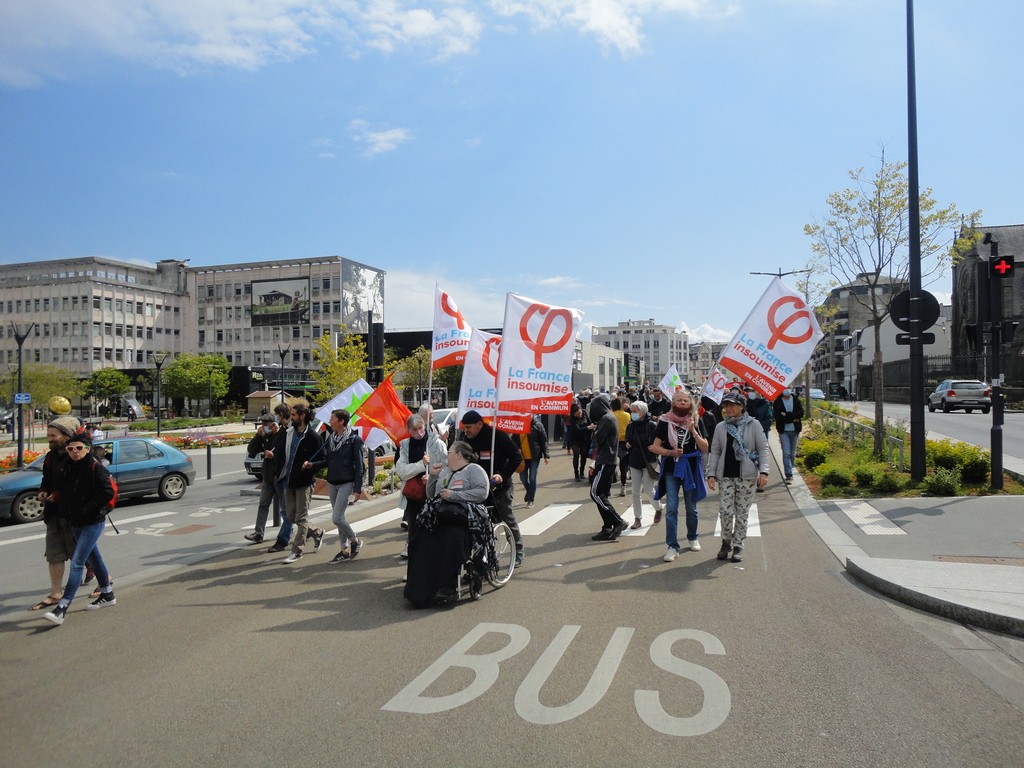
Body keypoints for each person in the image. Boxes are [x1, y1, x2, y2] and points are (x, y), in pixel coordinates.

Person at [41, 429, 116, 626]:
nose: (74, 451)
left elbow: (106, 492)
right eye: (71, 448)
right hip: (75, 522)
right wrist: (58, 500)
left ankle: (62, 607)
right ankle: (108, 594)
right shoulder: (70, 467)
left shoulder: (95, 467)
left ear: (87, 449)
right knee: (95, 558)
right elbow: (66, 491)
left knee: (77, 563)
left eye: (78, 448)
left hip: (92, 522)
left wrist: (86, 510)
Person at [404, 441, 491, 608]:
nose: (447, 455)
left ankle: (448, 586)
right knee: (419, 537)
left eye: (449, 452)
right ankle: (419, 586)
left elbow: (482, 493)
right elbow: (432, 496)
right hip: (441, 517)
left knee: (451, 537)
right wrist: (434, 477)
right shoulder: (445, 472)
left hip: (463, 519)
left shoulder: (474, 470)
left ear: (459, 454)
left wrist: (454, 495)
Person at [706, 391, 770, 563]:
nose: (729, 408)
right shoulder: (721, 427)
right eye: (726, 405)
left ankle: (738, 545)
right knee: (725, 511)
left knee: (742, 513)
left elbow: (763, 449)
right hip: (726, 475)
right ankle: (726, 542)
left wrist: (764, 471)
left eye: (733, 405)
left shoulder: (753, 425)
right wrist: (711, 473)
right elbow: (716, 451)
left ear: (742, 407)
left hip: (747, 476)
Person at [459, 410, 525, 566]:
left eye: (469, 427)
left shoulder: (497, 436)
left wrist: (502, 475)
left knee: (506, 517)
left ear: (479, 424)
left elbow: (516, 456)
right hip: (476, 489)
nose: (466, 430)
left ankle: (518, 550)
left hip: (499, 487)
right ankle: (484, 555)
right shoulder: (464, 438)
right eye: (464, 427)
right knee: (478, 523)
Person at [651, 389, 709, 561]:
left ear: (691, 403)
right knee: (672, 508)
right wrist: (670, 452)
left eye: (685, 400)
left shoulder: (696, 420)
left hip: (691, 468)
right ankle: (672, 546)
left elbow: (705, 447)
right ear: (673, 403)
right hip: (671, 468)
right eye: (679, 400)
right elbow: (655, 447)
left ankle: (693, 537)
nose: (683, 403)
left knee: (691, 508)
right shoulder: (664, 421)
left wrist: (693, 431)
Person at [30, 416, 81, 611]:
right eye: (48, 435)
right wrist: (43, 490)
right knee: (54, 554)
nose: (50, 438)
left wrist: (59, 495)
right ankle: (55, 593)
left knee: (82, 553)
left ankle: (105, 582)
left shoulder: (77, 455)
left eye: (53, 435)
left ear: (66, 436)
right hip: (53, 514)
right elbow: (47, 478)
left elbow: (79, 485)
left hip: (73, 514)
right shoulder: (51, 457)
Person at [264, 402, 324, 564]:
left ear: (302, 416)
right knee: (291, 516)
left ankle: (297, 551)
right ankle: (317, 532)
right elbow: (280, 452)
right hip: (287, 480)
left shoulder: (313, 437)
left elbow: (324, 460)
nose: (290, 418)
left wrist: (311, 466)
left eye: (293, 415)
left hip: (304, 482)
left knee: (301, 517)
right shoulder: (289, 432)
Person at [305, 409, 365, 562]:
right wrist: (312, 465)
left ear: (341, 422)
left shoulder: (354, 440)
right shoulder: (331, 439)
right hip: (332, 482)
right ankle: (344, 550)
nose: (329, 421)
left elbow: (359, 467)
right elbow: (328, 461)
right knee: (340, 517)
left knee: (337, 518)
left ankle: (355, 541)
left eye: (332, 418)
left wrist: (357, 489)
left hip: (346, 482)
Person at [395, 413, 448, 558]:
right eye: (414, 430)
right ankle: (414, 566)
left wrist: (432, 476)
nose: (419, 433)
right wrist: (421, 465)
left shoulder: (437, 444)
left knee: (433, 529)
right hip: (413, 495)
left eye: (421, 428)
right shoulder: (405, 446)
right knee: (414, 530)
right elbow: (401, 471)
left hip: (433, 494)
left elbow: (448, 467)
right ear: (408, 430)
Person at [587, 394, 628, 541]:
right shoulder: (608, 418)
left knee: (596, 493)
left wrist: (594, 430)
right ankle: (607, 527)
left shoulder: (606, 418)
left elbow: (598, 439)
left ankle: (617, 521)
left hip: (606, 460)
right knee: (601, 494)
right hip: (605, 459)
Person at [624, 400, 663, 529]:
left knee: (648, 489)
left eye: (635, 411)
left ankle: (658, 507)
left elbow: (659, 441)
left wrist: (655, 447)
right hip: (634, 461)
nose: (632, 414)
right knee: (635, 491)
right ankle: (637, 518)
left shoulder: (652, 425)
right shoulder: (631, 426)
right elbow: (627, 440)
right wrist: (627, 444)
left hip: (649, 461)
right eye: (631, 411)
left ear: (643, 412)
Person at [772, 388, 804, 485]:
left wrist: (787, 415)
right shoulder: (777, 402)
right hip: (783, 431)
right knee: (786, 452)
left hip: (795, 430)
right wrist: (793, 418)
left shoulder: (796, 400)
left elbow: (801, 413)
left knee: (792, 453)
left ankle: (790, 468)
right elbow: (778, 416)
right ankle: (789, 475)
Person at [517, 415, 549, 509]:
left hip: (534, 456)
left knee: (532, 478)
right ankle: (529, 491)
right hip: (522, 457)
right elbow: (514, 440)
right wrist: (516, 449)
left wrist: (546, 455)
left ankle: (531, 500)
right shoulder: (518, 425)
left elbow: (544, 441)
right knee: (523, 478)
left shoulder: (538, 425)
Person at [610, 398, 631, 497]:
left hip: (613, 441)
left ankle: (608, 488)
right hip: (625, 442)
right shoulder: (627, 415)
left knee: (611, 465)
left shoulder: (611, 415)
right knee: (624, 466)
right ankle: (623, 487)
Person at [567, 402, 591, 482]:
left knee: (584, 454)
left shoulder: (584, 412)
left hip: (584, 437)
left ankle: (582, 471)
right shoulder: (571, 418)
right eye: (577, 414)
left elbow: (590, 422)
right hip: (574, 438)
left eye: (579, 413)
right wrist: (588, 427)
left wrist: (592, 427)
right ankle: (576, 473)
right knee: (576, 454)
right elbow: (577, 430)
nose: (579, 415)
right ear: (573, 414)